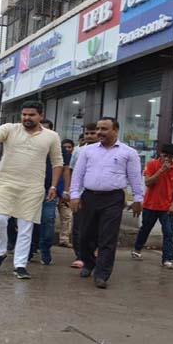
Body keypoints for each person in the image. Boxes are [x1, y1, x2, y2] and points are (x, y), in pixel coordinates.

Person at [0, 100, 63, 279]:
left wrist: (53, 186)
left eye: (31, 115)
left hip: (33, 187)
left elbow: (57, 162)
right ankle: (0, 253)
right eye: (24, 115)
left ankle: (20, 265)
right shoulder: (10, 128)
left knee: (26, 226)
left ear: (40, 116)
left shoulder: (52, 136)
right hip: (5, 184)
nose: (27, 118)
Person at [70, 118, 144, 289]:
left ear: (115, 131)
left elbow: (135, 178)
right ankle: (89, 263)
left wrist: (138, 199)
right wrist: (74, 195)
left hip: (113, 199)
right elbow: (78, 175)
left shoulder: (128, 152)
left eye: (104, 129)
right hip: (89, 197)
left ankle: (102, 274)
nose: (99, 132)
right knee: (84, 235)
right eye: (98, 129)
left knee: (108, 237)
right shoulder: (87, 151)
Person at [130, 144, 173, 269]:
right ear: (160, 154)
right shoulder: (151, 164)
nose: (167, 159)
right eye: (165, 156)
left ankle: (167, 259)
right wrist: (161, 171)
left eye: (170, 157)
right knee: (145, 229)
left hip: (166, 207)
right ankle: (137, 249)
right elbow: (148, 183)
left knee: (168, 232)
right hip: (150, 205)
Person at [28, 119, 64, 265]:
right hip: (30, 190)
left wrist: (61, 190)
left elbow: (64, 169)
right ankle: (29, 251)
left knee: (48, 221)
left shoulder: (57, 148)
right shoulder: (29, 148)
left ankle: (45, 250)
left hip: (49, 191)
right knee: (28, 222)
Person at [65, 123, 98, 268]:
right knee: (79, 226)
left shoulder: (106, 151)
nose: (89, 136)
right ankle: (80, 256)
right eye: (87, 133)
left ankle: (95, 252)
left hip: (98, 195)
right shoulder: (78, 151)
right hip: (80, 194)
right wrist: (71, 192)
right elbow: (71, 171)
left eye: (92, 133)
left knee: (96, 226)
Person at [58, 139, 75, 247]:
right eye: (65, 147)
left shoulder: (73, 161)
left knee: (67, 217)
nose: (67, 149)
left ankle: (64, 239)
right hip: (55, 192)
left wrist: (67, 191)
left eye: (69, 147)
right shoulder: (57, 159)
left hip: (66, 193)